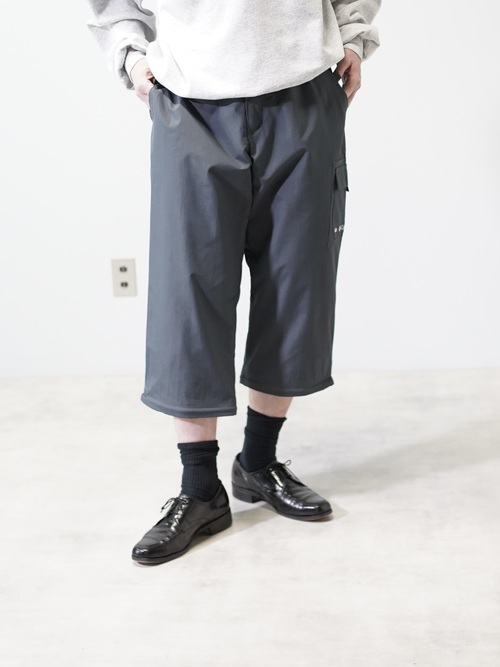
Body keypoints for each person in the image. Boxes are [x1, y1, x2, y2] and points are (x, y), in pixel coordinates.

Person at [86, 0, 381, 565]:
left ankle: (259, 461)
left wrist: (352, 36)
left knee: (298, 282)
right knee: (187, 292)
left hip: (303, 91)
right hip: (189, 97)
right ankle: (200, 488)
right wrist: (130, 56)